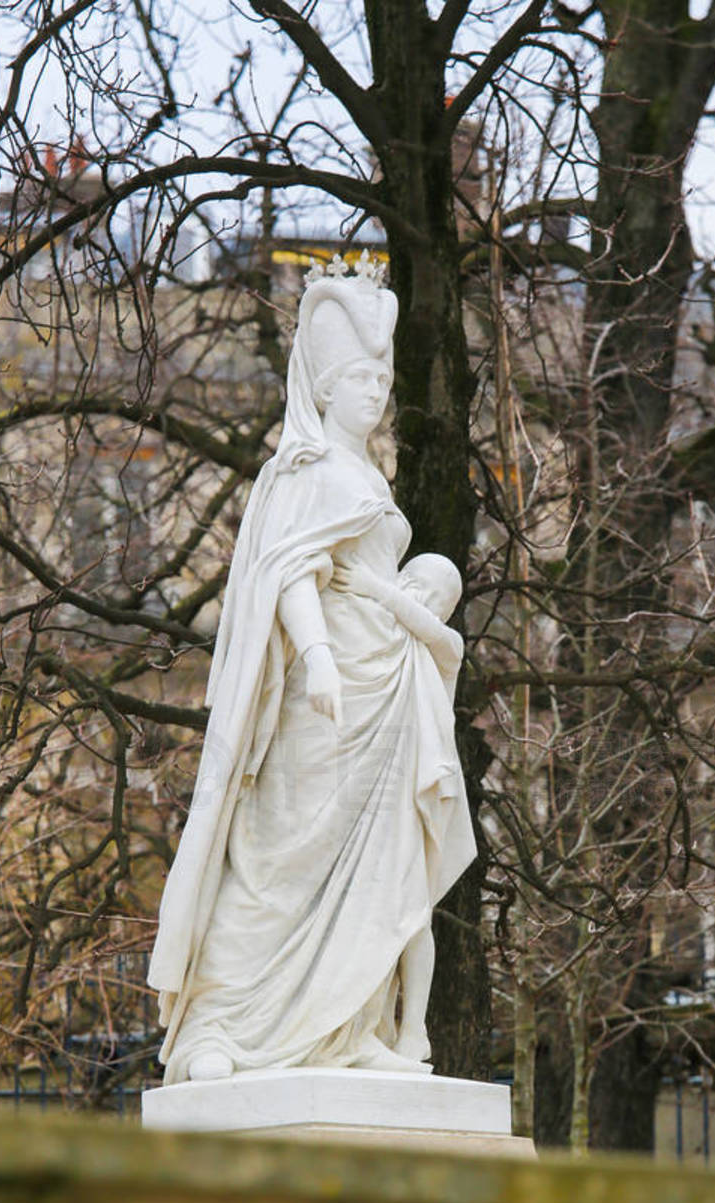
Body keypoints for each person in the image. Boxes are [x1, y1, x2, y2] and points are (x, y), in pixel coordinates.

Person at [147, 255, 476, 1083]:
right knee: (277, 854)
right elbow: (290, 571)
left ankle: (347, 1027)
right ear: (325, 388)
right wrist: (321, 657)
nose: (377, 390)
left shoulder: (368, 476)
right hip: (324, 691)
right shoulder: (303, 473)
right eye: (362, 377)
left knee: (372, 868)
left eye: (382, 378)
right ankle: (220, 1025)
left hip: (387, 697)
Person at [330, 550, 464, 1065]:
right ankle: (359, 1021)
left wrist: (375, 586)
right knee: (364, 908)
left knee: (413, 916)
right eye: (413, 581)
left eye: (434, 597)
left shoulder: (437, 649)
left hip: (411, 800)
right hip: (364, 792)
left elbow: (442, 637)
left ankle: (414, 1032)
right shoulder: (376, 640)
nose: (417, 595)